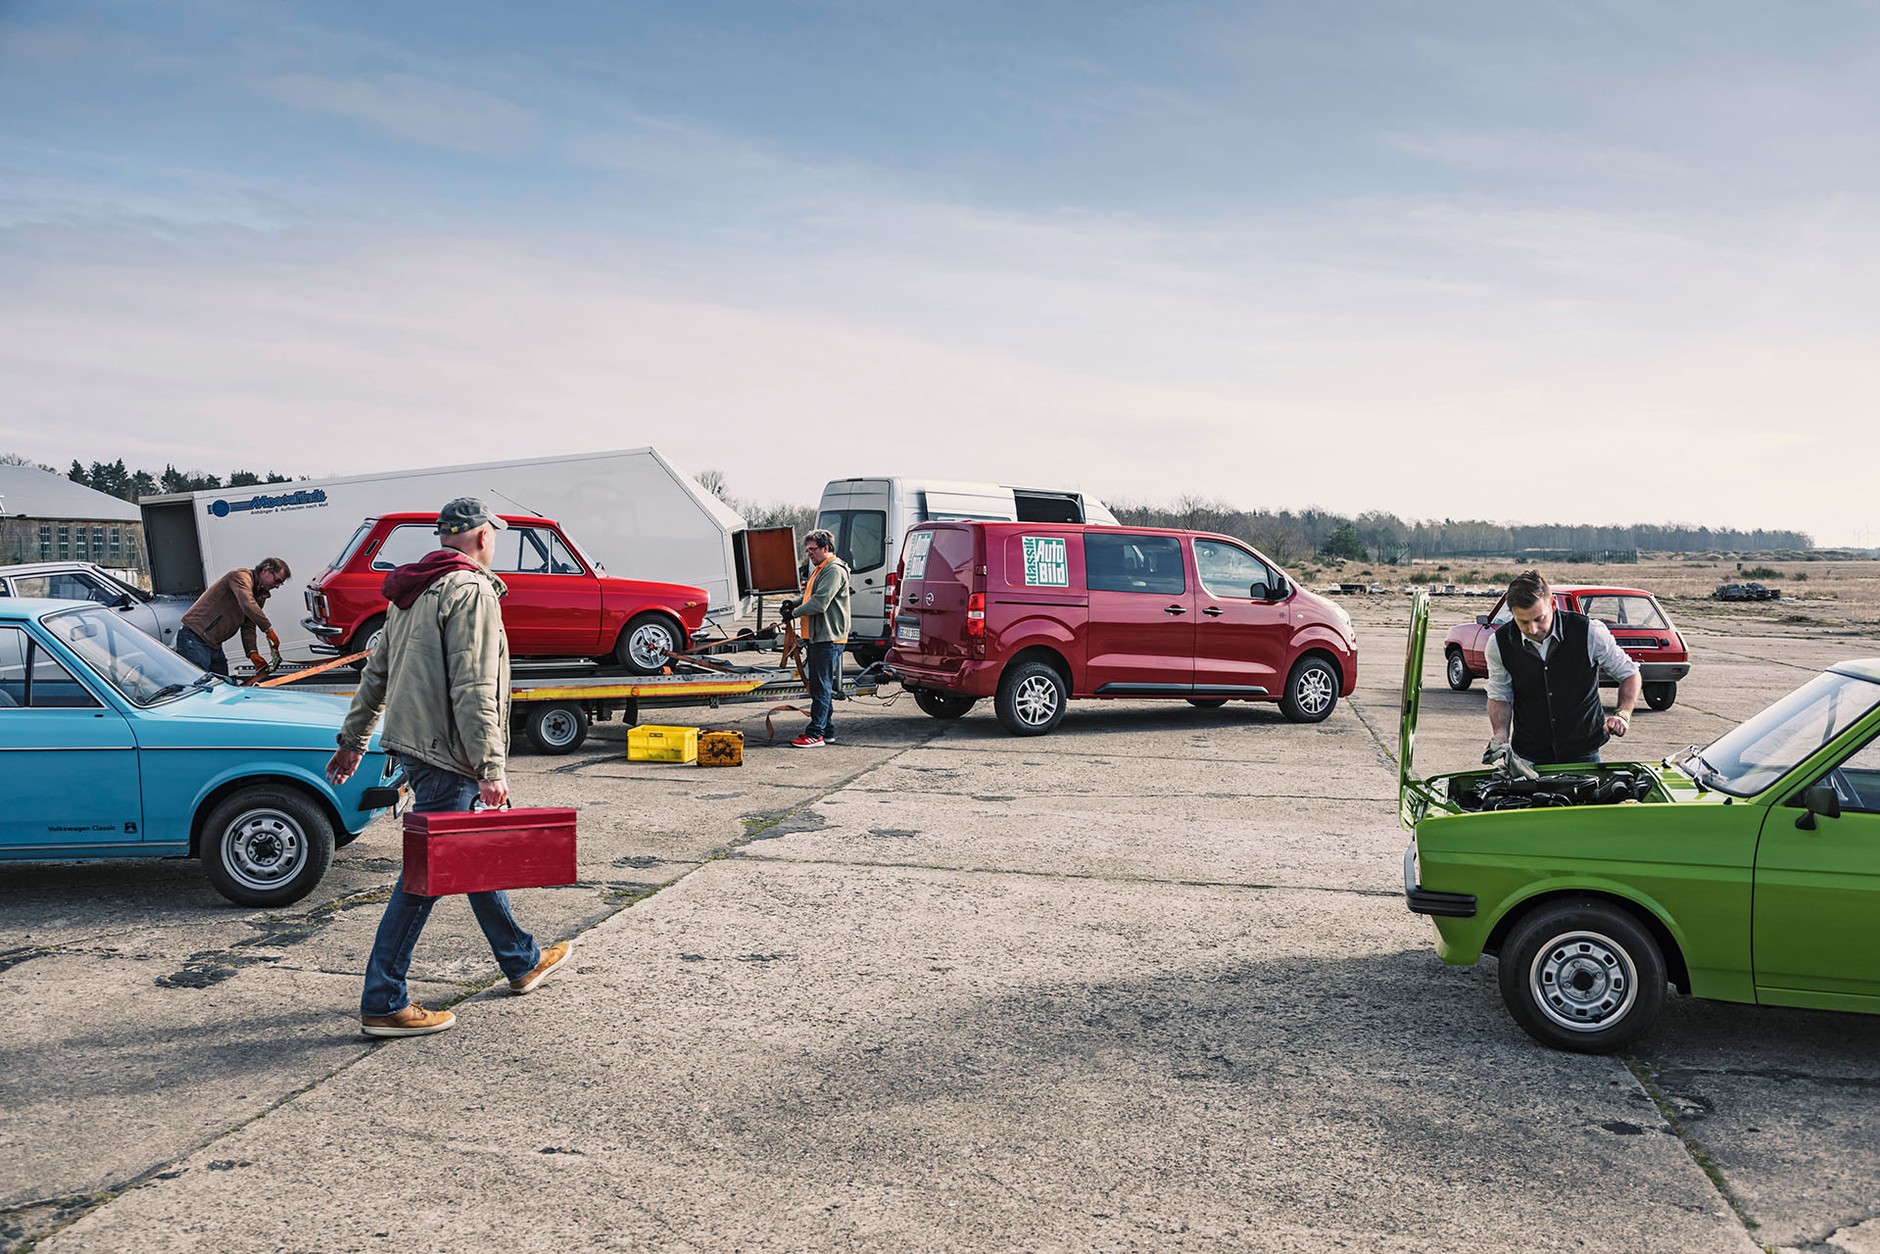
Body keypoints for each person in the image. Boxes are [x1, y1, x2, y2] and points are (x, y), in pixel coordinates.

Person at [325, 497, 569, 1038]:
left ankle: (520, 958)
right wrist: (490, 766)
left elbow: (375, 673)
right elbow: (475, 685)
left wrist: (353, 740)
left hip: (417, 745)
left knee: (470, 855)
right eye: (496, 534)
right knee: (427, 876)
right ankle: (384, 1000)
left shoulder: (412, 592)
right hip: (449, 752)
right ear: (483, 536)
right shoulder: (471, 590)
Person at [1485, 569, 1641, 766]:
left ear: (1552, 604)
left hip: (1583, 751)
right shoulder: (1498, 644)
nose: (1533, 629)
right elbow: (1500, 694)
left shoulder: (1589, 632)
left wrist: (1623, 713)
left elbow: (1629, 673)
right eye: (1523, 622)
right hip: (1528, 754)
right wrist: (1500, 734)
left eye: (1539, 619)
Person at [782, 528, 851, 749]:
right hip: (818, 636)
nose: (809, 554)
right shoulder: (821, 568)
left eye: (812, 549)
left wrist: (794, 613)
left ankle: (816, 733)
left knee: (820, 687)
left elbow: (820, 603)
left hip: (828, 637)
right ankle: (826, 731)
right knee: (821, 685)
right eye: (807, 550)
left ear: (826, 548)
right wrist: (793, 602)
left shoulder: (833, 570)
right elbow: (811, 595)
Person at [175, 557, 290, 676]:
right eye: (277, 580)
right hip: (195, 639)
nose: (277, 586)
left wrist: (252, 652)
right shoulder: (240, 577)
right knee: (198, 687)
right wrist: (268, 629)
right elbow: (247, 603)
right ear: (265, 570)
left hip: (214, 644)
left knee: (224, 687)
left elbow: (249, 624)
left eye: (280, 583)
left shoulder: (260, 594)